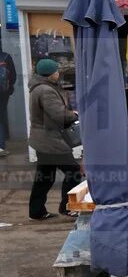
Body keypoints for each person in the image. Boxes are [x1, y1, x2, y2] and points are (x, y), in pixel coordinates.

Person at [28, 58, 82, 220]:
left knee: (44, 177)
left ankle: (36, 211)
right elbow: (58, 115)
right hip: (51, 140)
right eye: (56, 71)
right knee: (73, 172)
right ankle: (67, 207)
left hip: (41, 139)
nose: (58, 73)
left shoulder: (37, 87)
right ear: (49, 74)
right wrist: (74, 115)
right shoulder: (46, 90)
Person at [0, 33, 16, 158]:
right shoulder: (6, 56)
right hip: (3, 93)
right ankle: (1, 147)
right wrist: (9, 89)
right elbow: (13, 76)